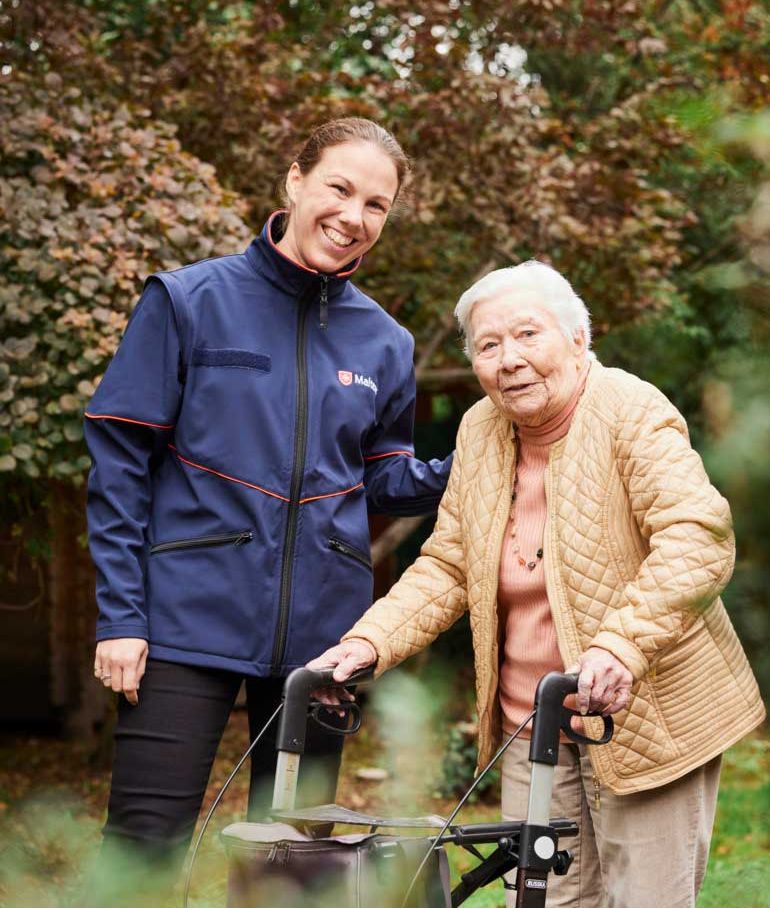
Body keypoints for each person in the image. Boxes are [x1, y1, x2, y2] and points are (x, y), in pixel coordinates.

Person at [309, 261, 766, 908]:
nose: (509, 359)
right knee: (546, 899)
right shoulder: (480, 430)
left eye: (528, 334)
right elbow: (449, 563)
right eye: (489, 346)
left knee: (646, 899)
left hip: (643, 716)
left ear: (578, 340)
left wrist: (620, 646)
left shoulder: (629, 410)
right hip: (532, 721)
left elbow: (699, 537)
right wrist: (369, 642)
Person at [84, 117, 452, 879]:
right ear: (295, 180)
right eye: (340, 189)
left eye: (376, 206)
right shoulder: (187, 301)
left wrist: (474, 459)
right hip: (185, 620)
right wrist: (121, 616)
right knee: (143, 852)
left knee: (291, 860)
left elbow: (385, 479)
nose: (354, 217)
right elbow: (120, 465)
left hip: (324, 640)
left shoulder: (386, 343)